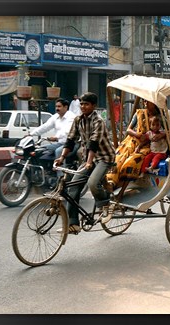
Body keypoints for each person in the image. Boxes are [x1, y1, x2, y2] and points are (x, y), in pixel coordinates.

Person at [54, 92, 116, 234]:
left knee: (93, 183)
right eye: (81, 104)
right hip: (89, 158)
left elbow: (94, 143)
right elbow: (70, 140)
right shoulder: (78, 120)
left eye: (86, 104)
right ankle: (73, 223)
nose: (83, 106)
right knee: (73, 187)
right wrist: (62, 158)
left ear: (93, 106)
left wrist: (88, 162)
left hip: (105, 157)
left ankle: (107, 205)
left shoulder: (98, 121)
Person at [112, 100, 166, 201]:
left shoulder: (160, 116)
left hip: (148, 145)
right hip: (131, 142)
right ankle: (111, 186)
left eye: (147, 101)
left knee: (131, 162)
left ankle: (121, 192)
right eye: (144, 100)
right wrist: (137, 134)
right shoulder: (139, 113)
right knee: (117, 159)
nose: (145, 102)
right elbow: (128, 130)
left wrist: (161, 135)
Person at [28, 98, 76, 167]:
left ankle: (61, 176)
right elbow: (45, 127)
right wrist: (31, 134)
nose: (57, 108)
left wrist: (57, 137)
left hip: (71, 144)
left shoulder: (71, 117)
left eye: (59, 106)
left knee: (58, 151)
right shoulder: (55, 117)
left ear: (66, 107)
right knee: (40, 150)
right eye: (56, 106)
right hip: (60, 143)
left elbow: (67, 130)